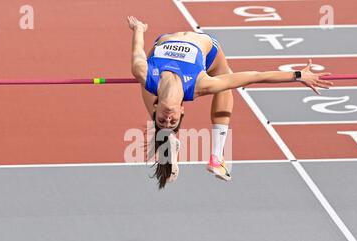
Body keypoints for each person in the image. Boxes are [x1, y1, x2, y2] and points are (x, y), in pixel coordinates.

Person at [127, 16, 333, 189]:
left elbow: (137, 49)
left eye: (164, 120)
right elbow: (254, 76)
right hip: (205, 44)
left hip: (162, 42)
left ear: (156, 108)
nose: (169, 118)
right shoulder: (200, 84)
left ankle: (170, 140)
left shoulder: (146, 74)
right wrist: (297, 75)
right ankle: (217, 156)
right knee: (225, 80)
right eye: (172, 122)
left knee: (143, 80)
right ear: (182, 111)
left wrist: (138, 29)